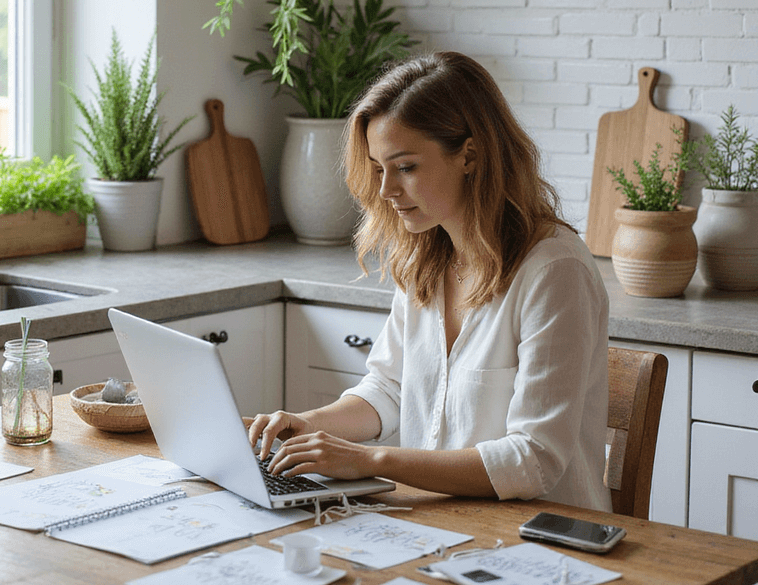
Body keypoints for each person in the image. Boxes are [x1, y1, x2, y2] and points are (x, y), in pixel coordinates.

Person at [249, 51, 611, 511]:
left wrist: (370, 460)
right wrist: (306, 424)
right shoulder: (427, 255)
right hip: (443, 522)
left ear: (470, 155)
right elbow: (388, 390)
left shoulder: (555, 271)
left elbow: (532, 460)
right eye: (379, 168)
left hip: (541, 537)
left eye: (406, 167)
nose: (386, 191)